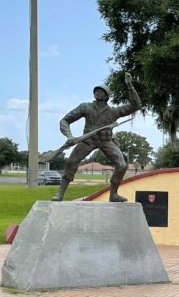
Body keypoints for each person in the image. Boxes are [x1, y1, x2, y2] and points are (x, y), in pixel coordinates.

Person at [52, 72, 141, 202]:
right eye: (96, 90)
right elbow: (65, 121)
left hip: (106, 141)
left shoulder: (113, 112)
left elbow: (136, 105)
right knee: (71, 162)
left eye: (101, 91)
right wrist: (69, 136)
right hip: (88, 141)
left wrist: (130, 86)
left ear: (107, 96)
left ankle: (113, 194)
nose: (97, 92)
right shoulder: (85, 107)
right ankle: (60, 194)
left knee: (122, 165)